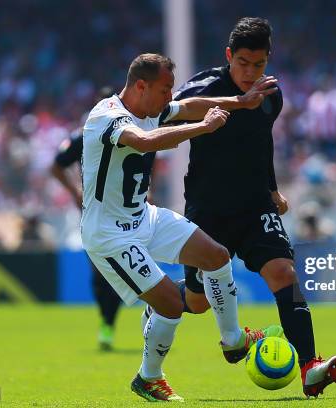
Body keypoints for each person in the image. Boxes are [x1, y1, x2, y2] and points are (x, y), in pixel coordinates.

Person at [158, 18, 336, 398]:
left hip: (255, 205)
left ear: (267, 61)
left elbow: (261, 145)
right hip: (208, 211)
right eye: (243, 63)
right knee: (196, 302)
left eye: (258, 64)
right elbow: (168, 112)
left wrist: (273, 190)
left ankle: (310, 365)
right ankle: (162, 299)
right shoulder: (205, 86)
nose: (250, 72)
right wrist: (228, 105)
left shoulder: (271, 95)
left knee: (284, 273)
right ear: (229, 56)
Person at [81, 53, 283, 402]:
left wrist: (241, 101)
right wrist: (204, 128)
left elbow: (191, 105)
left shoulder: (152, 107)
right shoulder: (107, 117)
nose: (168, 97)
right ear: (141, 86)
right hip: (110, 235)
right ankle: (149, 377)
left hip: (144, 216)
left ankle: (233, 340)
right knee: (172, 305)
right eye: (164, 90)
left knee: (217, 257)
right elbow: (145, 142)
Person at [50, 86, 125, 351]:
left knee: (121, 269)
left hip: (128, 211)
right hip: (95, 210)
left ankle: (144, 314)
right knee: (101, 273)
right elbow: (57, 164)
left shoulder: (131, 130)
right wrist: (75, 192)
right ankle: (107, 321)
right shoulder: (86, 134)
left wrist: (146, 188)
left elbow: (153, 161)